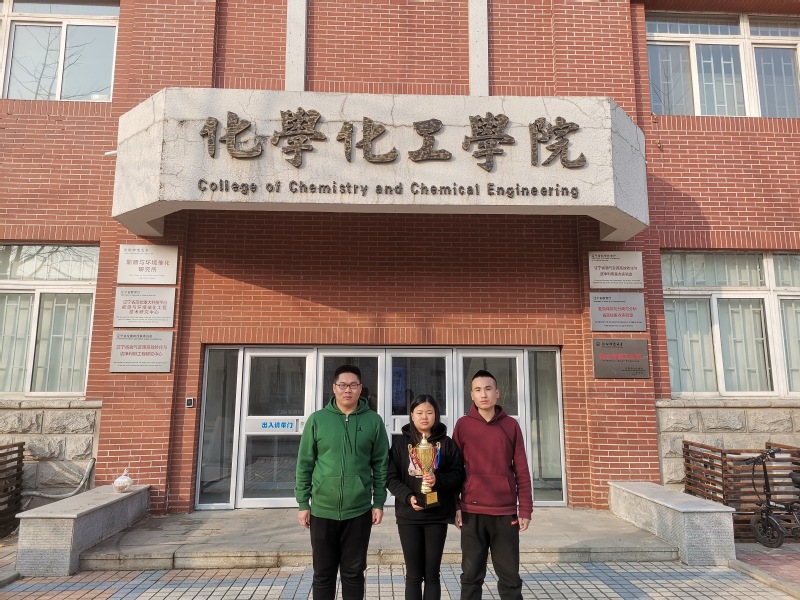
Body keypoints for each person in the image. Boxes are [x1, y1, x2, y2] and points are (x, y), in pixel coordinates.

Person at [295, 364, 390, 600]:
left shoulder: (374, 421)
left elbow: (381, 464)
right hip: (322, 510)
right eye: (343, 385)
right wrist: (303, 503)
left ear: (361, 388)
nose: (348, 390)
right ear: (334, 387)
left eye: (353, 385)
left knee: (354, 573)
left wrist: (378, 502)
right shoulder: (317, 420)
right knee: (323, 574)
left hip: (359, 511)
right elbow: (305, 463)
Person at [453, 370, 533, 600]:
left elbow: (521, 470)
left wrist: (525, 509)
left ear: (497, 393)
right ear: (471, 395)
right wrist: (455, 506)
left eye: (488, 389)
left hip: (504, 513)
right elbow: (455, 470)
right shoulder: (463, 425)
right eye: (478, 390)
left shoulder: (511, 426)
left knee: (510, 578)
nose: (483, 394)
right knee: (470, 576)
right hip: (472, 512)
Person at [387, 395, 465, 600]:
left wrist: (438, 480)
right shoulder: (400, 444)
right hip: (408, 516)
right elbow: (391, 477)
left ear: (436, 415)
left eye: (429, 412)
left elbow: (458, 475)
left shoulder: (446, 444)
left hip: (437, 516)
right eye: (419, 412)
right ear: (411, 415)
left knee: (432, 575)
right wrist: (408, 497)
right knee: (413, 576)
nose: (424, 417)